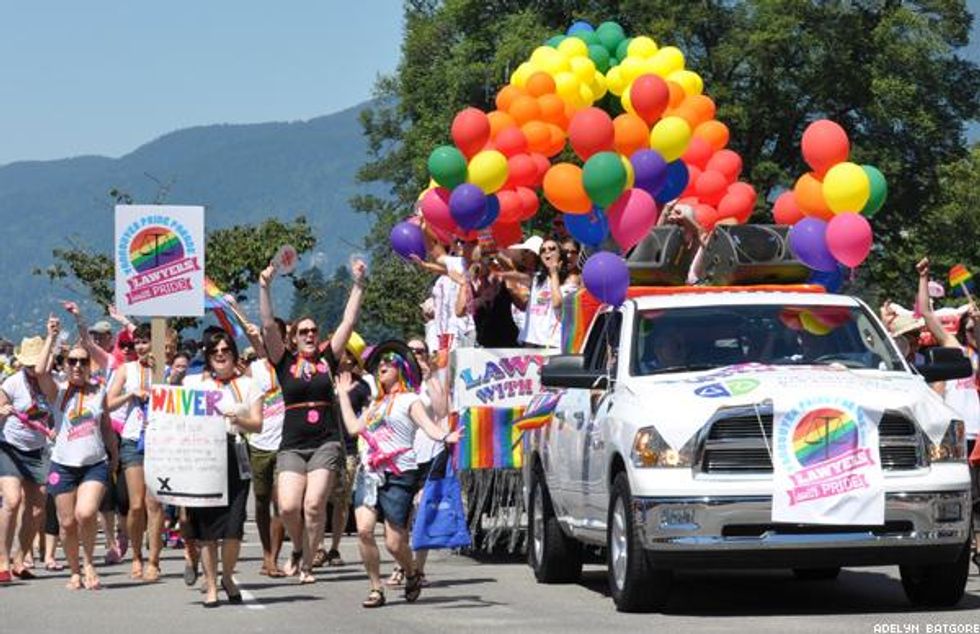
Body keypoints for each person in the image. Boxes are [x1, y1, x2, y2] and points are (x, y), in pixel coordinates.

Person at [259, 256, 366, 583]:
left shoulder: (326, 360)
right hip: (292, 445)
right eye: (302, 331)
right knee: (289, 507)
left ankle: (307, 563)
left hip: (325, 443)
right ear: (293, 337)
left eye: (313, 330)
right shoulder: (283, 360)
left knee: (315, 505)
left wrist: (359, 284)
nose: (308, 334)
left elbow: (347, 323)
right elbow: (266, 327)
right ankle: (297, 548)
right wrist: (264, 286)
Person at [336, 342, 462, 608]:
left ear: (401, 370)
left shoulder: (410, 400)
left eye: (389, 363)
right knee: (364, 531)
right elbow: (352, 428)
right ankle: (375, 587)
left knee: (394, 543)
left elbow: (429, 426)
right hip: (370, 472)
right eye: (380, 363)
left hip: (400, 473)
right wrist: (343, 397)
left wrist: (446, 436)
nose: (382, 366)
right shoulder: (374, 405)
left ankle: (412, 572)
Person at [34, 315, 118, 590]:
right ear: (66, 365)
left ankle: (89, 563)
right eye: (73, 361)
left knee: (86, 513)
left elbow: (105, 425)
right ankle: (74, 571)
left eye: (83, 361)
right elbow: (39, 371)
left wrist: (114, 455)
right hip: (62, 465)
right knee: (67, 523)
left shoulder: (100, 390)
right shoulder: (57, 392)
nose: (79, 366)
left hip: (94, 463)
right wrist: (52, 337)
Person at [183, 329, 263, 607]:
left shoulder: (249, 385)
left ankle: (227, 576)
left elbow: (258, 423)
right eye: (214, 351)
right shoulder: (195, 384)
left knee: (233, 525)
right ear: (207, 356)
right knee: (206, 525)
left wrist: (237, 419)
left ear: (233, 354)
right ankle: (211, 584)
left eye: (225, 350)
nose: (220, 355)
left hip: (235, 451)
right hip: (204, 455)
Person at [106, 323, 164, 581]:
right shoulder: (125, 369)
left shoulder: (163, 369)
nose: (140, 346)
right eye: (136, 342)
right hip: (132, 440)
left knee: (155, 503)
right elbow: (107, 403)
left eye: (145, 341)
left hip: (161, 440)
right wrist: (131, 394)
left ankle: (154, 560)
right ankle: (137, 555)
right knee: (136, 504)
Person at [0, 336, 52, 583]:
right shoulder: (11, 383)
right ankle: (2, 560)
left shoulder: (50, 382)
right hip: (10, 447)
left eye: (36, 365)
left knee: (38, 508)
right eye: (29, 365)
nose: (33, 370)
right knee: (12, 501)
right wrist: (2, 412)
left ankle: (20, 559)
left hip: (38, 450)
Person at [318, 331, 371, 569]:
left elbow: (368, 417)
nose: (343, 356)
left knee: (341, 502)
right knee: (318, 499)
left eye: (348, 353)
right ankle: (318, 546)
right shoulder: (323, 380)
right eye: (342, 351)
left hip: (350, 449)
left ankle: (334, 548)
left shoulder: (361, 386)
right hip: (323, 445)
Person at [245, 320, 287, 578]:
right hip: (258, 443)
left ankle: (274, 556)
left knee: (280, 504)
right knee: (261, 502)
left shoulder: (291, 365)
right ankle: (265, 553)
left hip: (285, 443)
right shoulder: (253, 369)